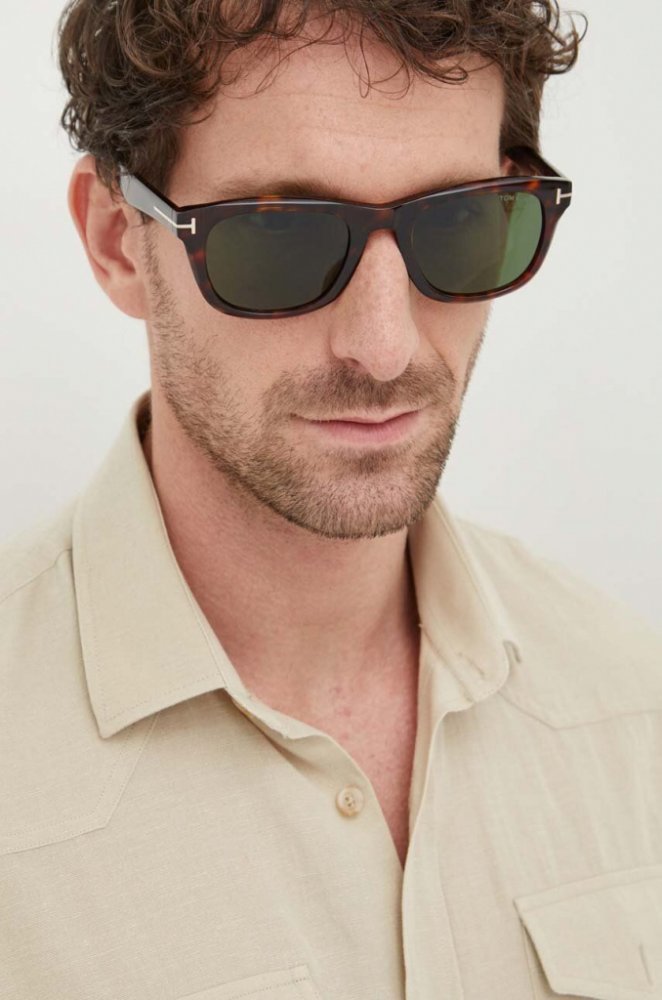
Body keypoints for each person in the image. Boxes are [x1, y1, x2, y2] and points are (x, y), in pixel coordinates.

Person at [2, 1, 661, 998]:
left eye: (458, 224)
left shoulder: (633, 702)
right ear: (116, 241)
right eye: (280, 238)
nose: (384, 348)